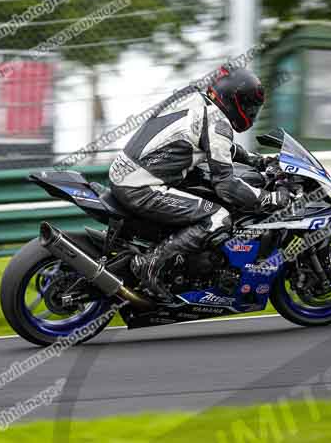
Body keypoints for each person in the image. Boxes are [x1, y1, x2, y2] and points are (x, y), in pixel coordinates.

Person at [108, 67, 291, 300]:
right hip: (141, 186)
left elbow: (214, 145)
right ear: (234, 100)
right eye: (248, 106)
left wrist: (256, 160)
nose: (250, 112)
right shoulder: (218, 124)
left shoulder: (194, 98)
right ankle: (148, 264)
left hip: (130, 173)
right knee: (218, 217)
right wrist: (271, 198)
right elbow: (226, 184)